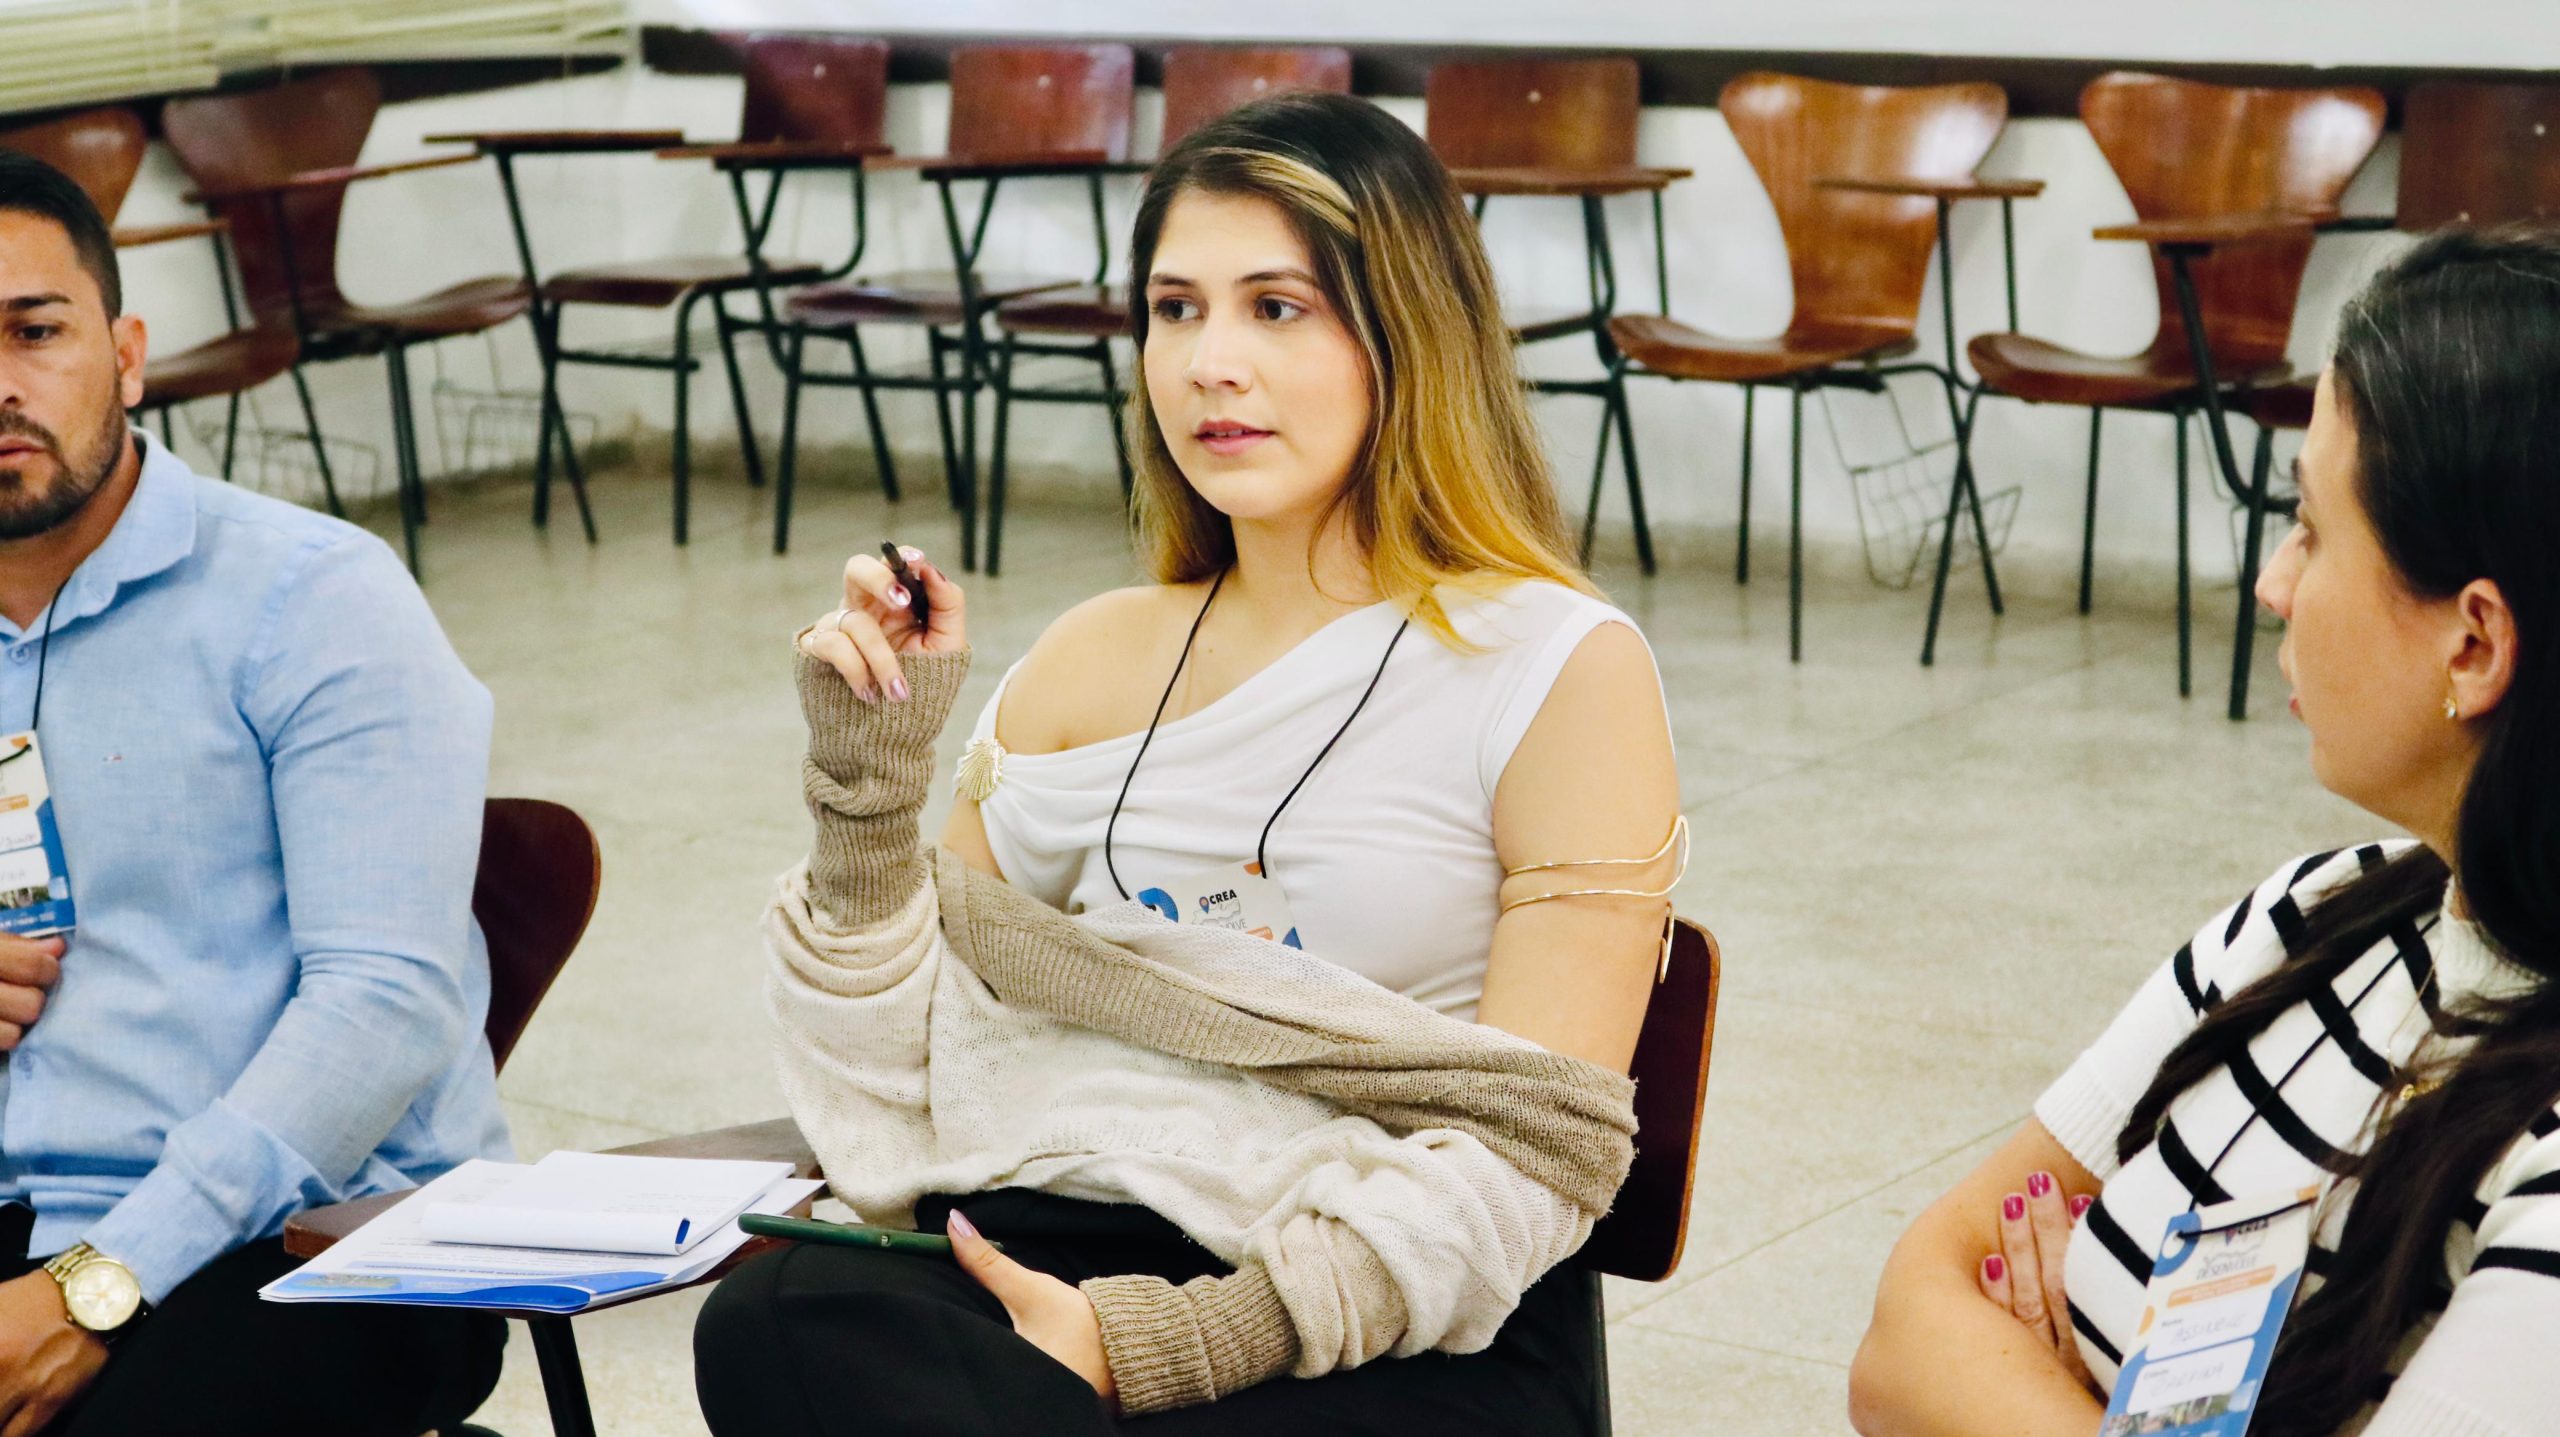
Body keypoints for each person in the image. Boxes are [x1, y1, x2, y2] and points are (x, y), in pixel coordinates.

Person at [694, 92, 1682, 1435]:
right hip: (1078, 1237)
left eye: (1277, 307)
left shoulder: (1557, 664)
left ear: (1409, 333)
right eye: (1174, 308)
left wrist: (1163, 1343)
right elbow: (912, 1067)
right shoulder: (1087, 658)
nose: (1211, 363)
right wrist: (869, 780)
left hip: (1401, 1303)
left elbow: (1533, 1151)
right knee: (774, 1314)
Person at [1849, 226, 2560, 1437]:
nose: (2274, 584)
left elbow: (1947, 1375)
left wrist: (2038, 1380)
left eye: (2311, 528)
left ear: (2473, 644)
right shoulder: (2306, 919)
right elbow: (1906, 1332)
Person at [0, 152, 507, 1433]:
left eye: (35, 331)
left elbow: (382, 1005)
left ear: (127, 355)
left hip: (320, 1234)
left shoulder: (314, 601)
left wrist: (99, 1285)